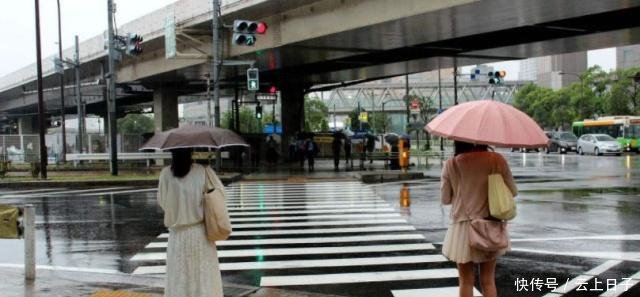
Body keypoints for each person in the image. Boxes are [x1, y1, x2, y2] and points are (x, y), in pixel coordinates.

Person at [440, 141, 517, 297]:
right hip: (490, 225)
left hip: (462, 229)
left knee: (466, 281)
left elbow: (445, 199)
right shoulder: (497, 160)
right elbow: (513, 191)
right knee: (488, 280)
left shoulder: (452, 163)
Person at [157, 148, 224, 297]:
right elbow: (220, 195)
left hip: (177, 236)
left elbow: (162, 202)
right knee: (202, 276)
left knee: (179, 277)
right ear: (190, 152)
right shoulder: (203, 171)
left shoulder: (166, 174)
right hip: (199, 234)